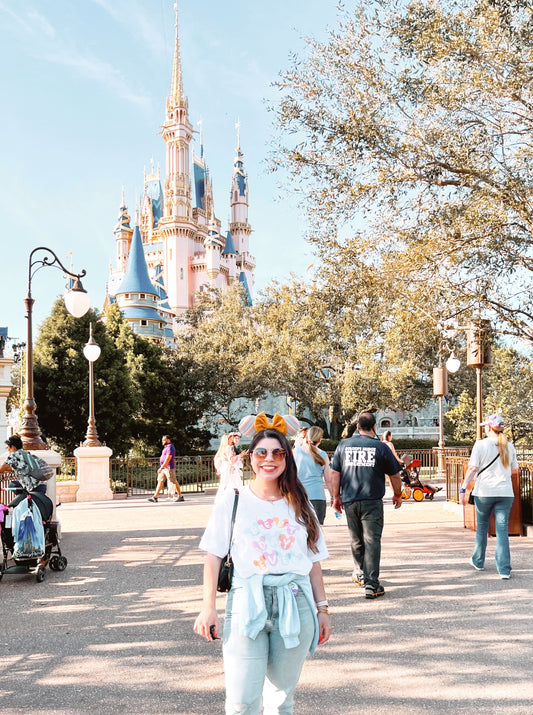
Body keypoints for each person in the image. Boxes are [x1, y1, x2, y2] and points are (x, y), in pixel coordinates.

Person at [194, 417, 331, 715]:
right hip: (247, 601)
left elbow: (313, 562)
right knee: (242, 702)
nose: (269, 460)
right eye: (261, 453)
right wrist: (208, 607)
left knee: (282, 700)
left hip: (296, 603)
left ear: (286, 458)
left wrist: (323, 610)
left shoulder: (300, 502)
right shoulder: (233, 499)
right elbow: (213, 556)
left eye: (277, 453)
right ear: (251, 458)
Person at [330, 411, 403, 599]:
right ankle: (372, 584)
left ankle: (360, 572)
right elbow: (394, 474)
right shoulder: (380, 447)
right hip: (371, 500)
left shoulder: (343, 445)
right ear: (374, 427)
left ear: (357, 426)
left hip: (350, 499)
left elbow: (334, 473)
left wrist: (335, 496)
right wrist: (397, 494)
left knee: (356, 539)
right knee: (372, 541)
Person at [459, 414, 518, 579]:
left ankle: (478, 561)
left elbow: (472, 469)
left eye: (485, 426)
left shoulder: (480, 445)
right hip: (505, 493)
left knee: (482, 528)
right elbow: (515, 470)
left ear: (489, 427)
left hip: (484, 493)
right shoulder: (509, 446)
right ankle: (504, 569)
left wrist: (463, 490)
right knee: (502, 530)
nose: (484, 428)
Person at [293, 426, 332, 525]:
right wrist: (333, 496)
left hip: (298, 495)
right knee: (316, 531)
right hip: (318, 496)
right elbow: (328, 480)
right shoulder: (323, 455)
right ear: (320, 439)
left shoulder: (296, 451)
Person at [147, 435, 184, 503]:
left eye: (164, 440)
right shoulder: (166, 447)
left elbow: (168, 459)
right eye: (162, 440)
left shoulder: (170, 447)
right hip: (164, 468)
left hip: (169, 468)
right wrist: (162, 467)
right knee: (160, 481)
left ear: (168, 440)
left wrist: (161, 467)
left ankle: (180, 496)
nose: (162, 441)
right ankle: (155, 497)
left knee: (174, 481)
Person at [214, 432, 245, 502]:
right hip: (228, 467)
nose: (232, 439)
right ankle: (219, 499)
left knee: (235, 482)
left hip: (230, 467)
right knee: (225, 484)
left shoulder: (229, 448)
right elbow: (231, 460)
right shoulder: (227, 448)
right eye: (231, 437)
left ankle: (238, 498)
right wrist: (240, 456)